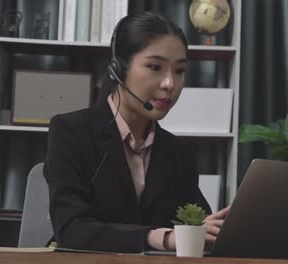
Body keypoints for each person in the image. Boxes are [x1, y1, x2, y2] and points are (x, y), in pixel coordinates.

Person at [43, 11, 229, 253]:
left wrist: (215, 230)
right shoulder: (71, 131)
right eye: (155, 67)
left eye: (179, 71)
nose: (169, 84)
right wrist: (157, 237)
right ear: (118, 70)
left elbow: (197, 223)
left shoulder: (178, 151)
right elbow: (70, 229)